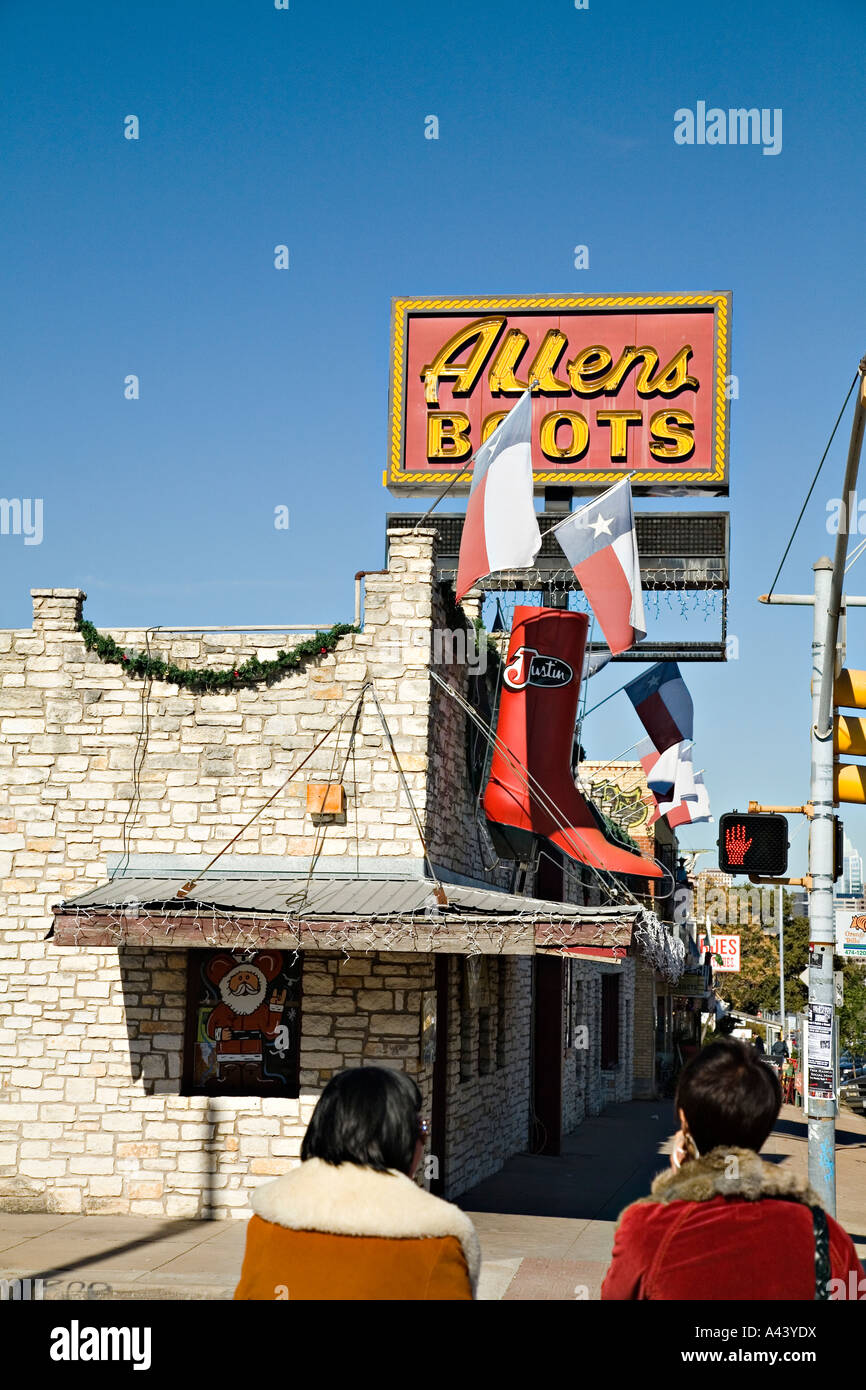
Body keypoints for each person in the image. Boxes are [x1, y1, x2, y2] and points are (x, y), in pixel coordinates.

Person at [601, 1039, 862, 1300]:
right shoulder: (824, 1236)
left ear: (684, 1122)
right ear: (766, 1125)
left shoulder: (647, 1232)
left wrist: (680, 1185)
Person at [234, 1066, 480, 1300]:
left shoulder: (265, 1224)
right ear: (398, 1137)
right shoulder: (437, 1240)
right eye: (421, 1129)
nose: (422, 1142)